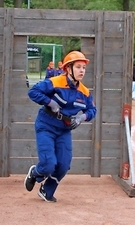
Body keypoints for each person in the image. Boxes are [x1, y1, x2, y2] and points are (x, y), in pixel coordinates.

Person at [25, 51, 97, 203]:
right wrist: (49, 102)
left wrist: (81, 117)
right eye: (78, 67)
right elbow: (33, 92)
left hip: (64, 130)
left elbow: (92, 110)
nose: (82, 70)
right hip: (46, 125)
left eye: (83, 67)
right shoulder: (55, 82)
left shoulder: (84, 92)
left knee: (63, 165)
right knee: (48, 164)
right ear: (68, 68)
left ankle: (47, 191)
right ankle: (35, 173)